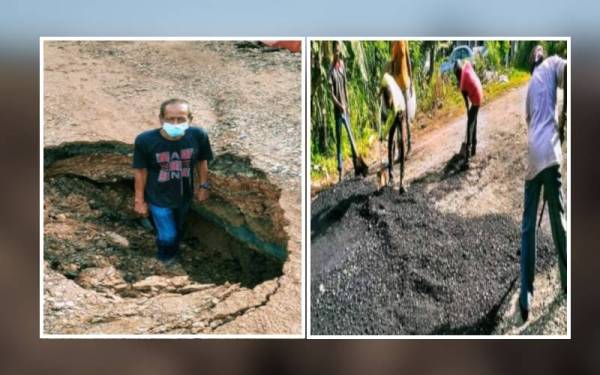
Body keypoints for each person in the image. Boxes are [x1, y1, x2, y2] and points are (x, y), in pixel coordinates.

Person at [133, 98, 213, 263]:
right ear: (161, 119)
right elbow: (141, 171)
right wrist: (139, 200)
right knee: (168, 235)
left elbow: (202, 161)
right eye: (170, 119)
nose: (175, 123)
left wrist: (204, 186)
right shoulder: (145, 140)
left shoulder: (198, 135)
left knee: (178, 228)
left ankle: (155, 228)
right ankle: (165, 258)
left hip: (184, 196)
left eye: (181, 119)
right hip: (157, 197)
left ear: (190, 119)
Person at [519, 45, 567, 321]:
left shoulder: (528, 88)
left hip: (534, 159)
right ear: (542, 57)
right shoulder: (553, 64)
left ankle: (526, 297)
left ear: (530, 65)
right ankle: (567, 279)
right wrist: (564, 117)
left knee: (528, 228)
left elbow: (529, 125)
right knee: (558, 219)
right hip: (551, 152)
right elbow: (570, 70)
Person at [329, 40, 360, 182]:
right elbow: (331, 94)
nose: (337, 52)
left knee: (351, 137)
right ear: (332, 51)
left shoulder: (342, 66)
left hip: (345, 110)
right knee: (340, 143)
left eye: (338, 49)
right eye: (335, 50)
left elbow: (346, 87)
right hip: (337, 112)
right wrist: (339, 105)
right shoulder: (331, 71)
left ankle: (357, 166)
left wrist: (347, 105)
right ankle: (340, 172)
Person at [454, 59, 483, 170]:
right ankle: (474, 148)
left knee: (470, 125)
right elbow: (472, 64)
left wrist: (467, 110)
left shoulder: (462, 84)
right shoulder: (466, 65)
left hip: (476, 98)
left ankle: (467, 156)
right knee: (473, 121)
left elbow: (466, 102)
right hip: (480, 90)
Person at [380, 72, 406, 194]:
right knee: (390, 142)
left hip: (400, 110)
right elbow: (384, 117)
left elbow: (392, 117)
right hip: (393, 109)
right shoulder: (383, 93)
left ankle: (402, 181)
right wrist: (382, 134)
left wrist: (383, 135)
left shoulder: (395, 101)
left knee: (402, 142)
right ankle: (391, 177)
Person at [389, 41, 414, 155]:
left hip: (405, 84)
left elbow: (408, 61)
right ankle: (400, 150)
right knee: (399, 119)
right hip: (397, 88)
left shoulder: (404, 41)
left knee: (407, 118)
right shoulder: (392, 43)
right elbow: (392, 65)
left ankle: (409, 146)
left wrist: (412, 81)